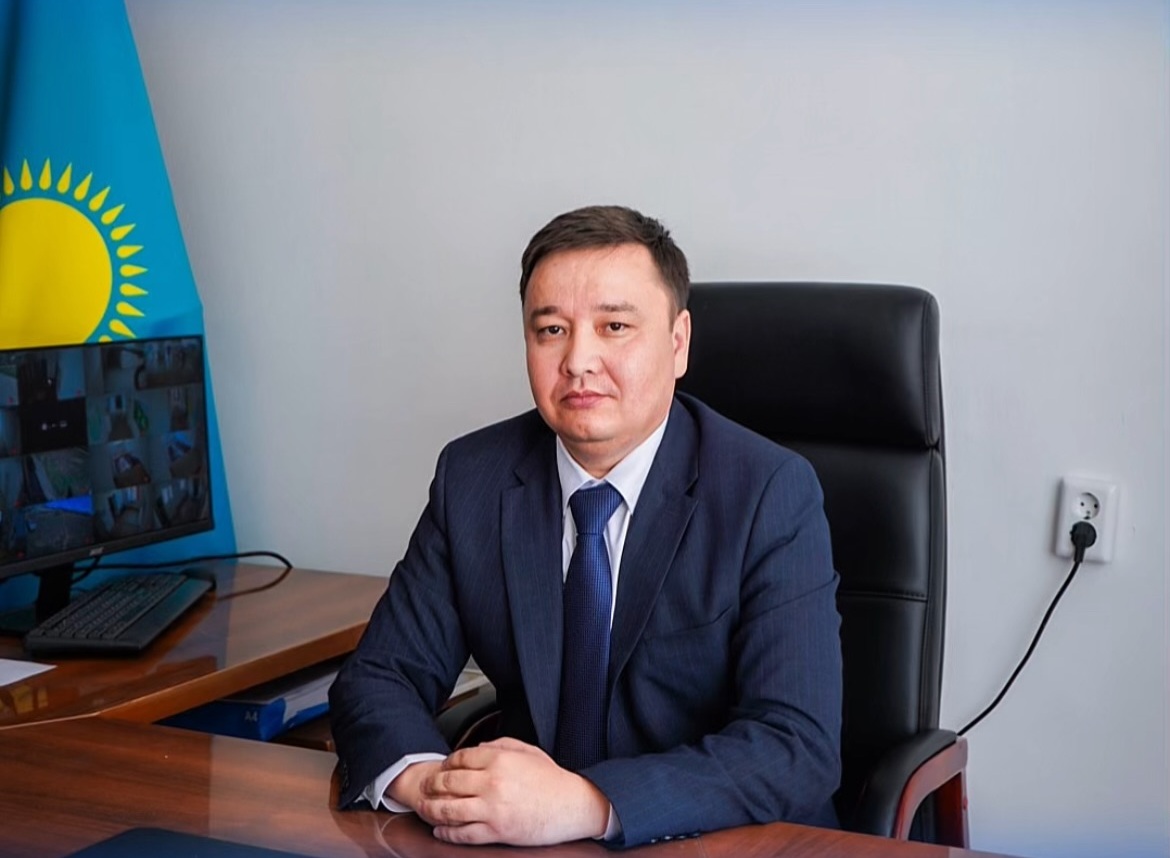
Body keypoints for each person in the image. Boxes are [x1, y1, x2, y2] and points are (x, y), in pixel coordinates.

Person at [329, 205, 843, 849]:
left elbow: (794, 745)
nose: (578, 360)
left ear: (678, 342)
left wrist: (586, 804)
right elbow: (379, 678)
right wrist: (439, 789)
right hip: (525, 842)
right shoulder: (474, 478)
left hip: (719, 842)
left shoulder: (769, 492)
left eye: (614, 326)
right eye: (551, 330)